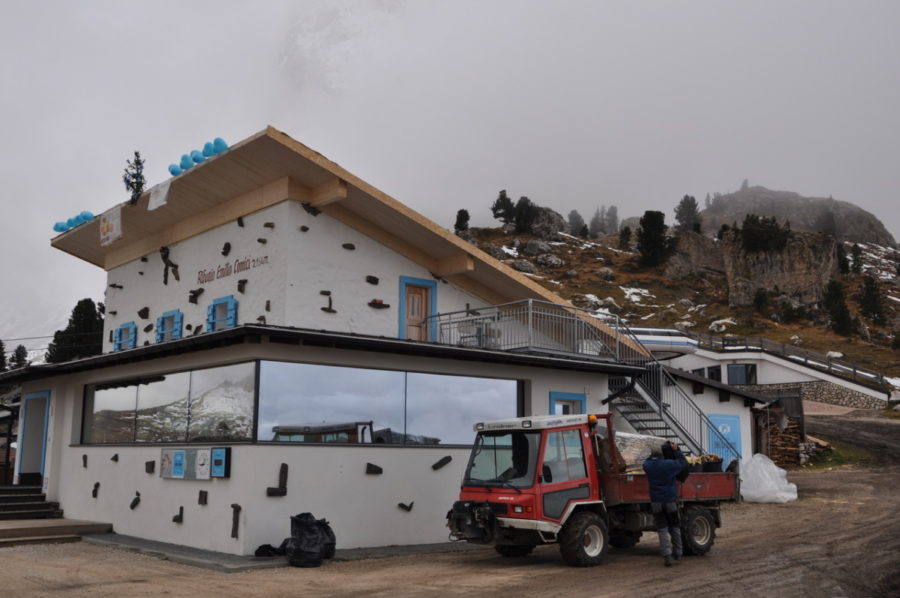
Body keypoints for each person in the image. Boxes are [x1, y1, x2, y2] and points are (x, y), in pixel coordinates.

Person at [642, 441, 688, 567]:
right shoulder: (669, 464)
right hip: (670, 501)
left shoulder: (648, 465)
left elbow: (646, 462)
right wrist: (676, 450)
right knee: (675, 527)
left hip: (656, 502)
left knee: (662, 530)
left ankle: (667, 555)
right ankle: (678, 553)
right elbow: (683, 463)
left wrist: (651, 454)